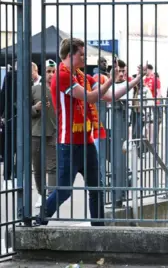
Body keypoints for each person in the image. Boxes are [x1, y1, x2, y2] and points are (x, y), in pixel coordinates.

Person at [36, 38, 118, 226]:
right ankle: (41, 217)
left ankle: (98, 227)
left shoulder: (80, 76)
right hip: (68, 143)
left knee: (97, 188)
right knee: (64, 190)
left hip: (86, 141)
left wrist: (132, 81)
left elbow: (108, 96)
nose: (84, 57)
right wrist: (112, 79)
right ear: (70, 55)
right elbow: (91, 98)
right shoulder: (62, 76)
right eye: (81, 54)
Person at [31, 59, 58, 208]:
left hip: (53, 132)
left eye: (53, 72)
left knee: (52, 166)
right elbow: (23, 110)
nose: (51, 74)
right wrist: (35, 108)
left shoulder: (60, 90)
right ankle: (42, 194)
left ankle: (51, 197)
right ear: (43, 72)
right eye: (48, 71)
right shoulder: (35, 89)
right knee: (38, 167)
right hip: (36, 133)